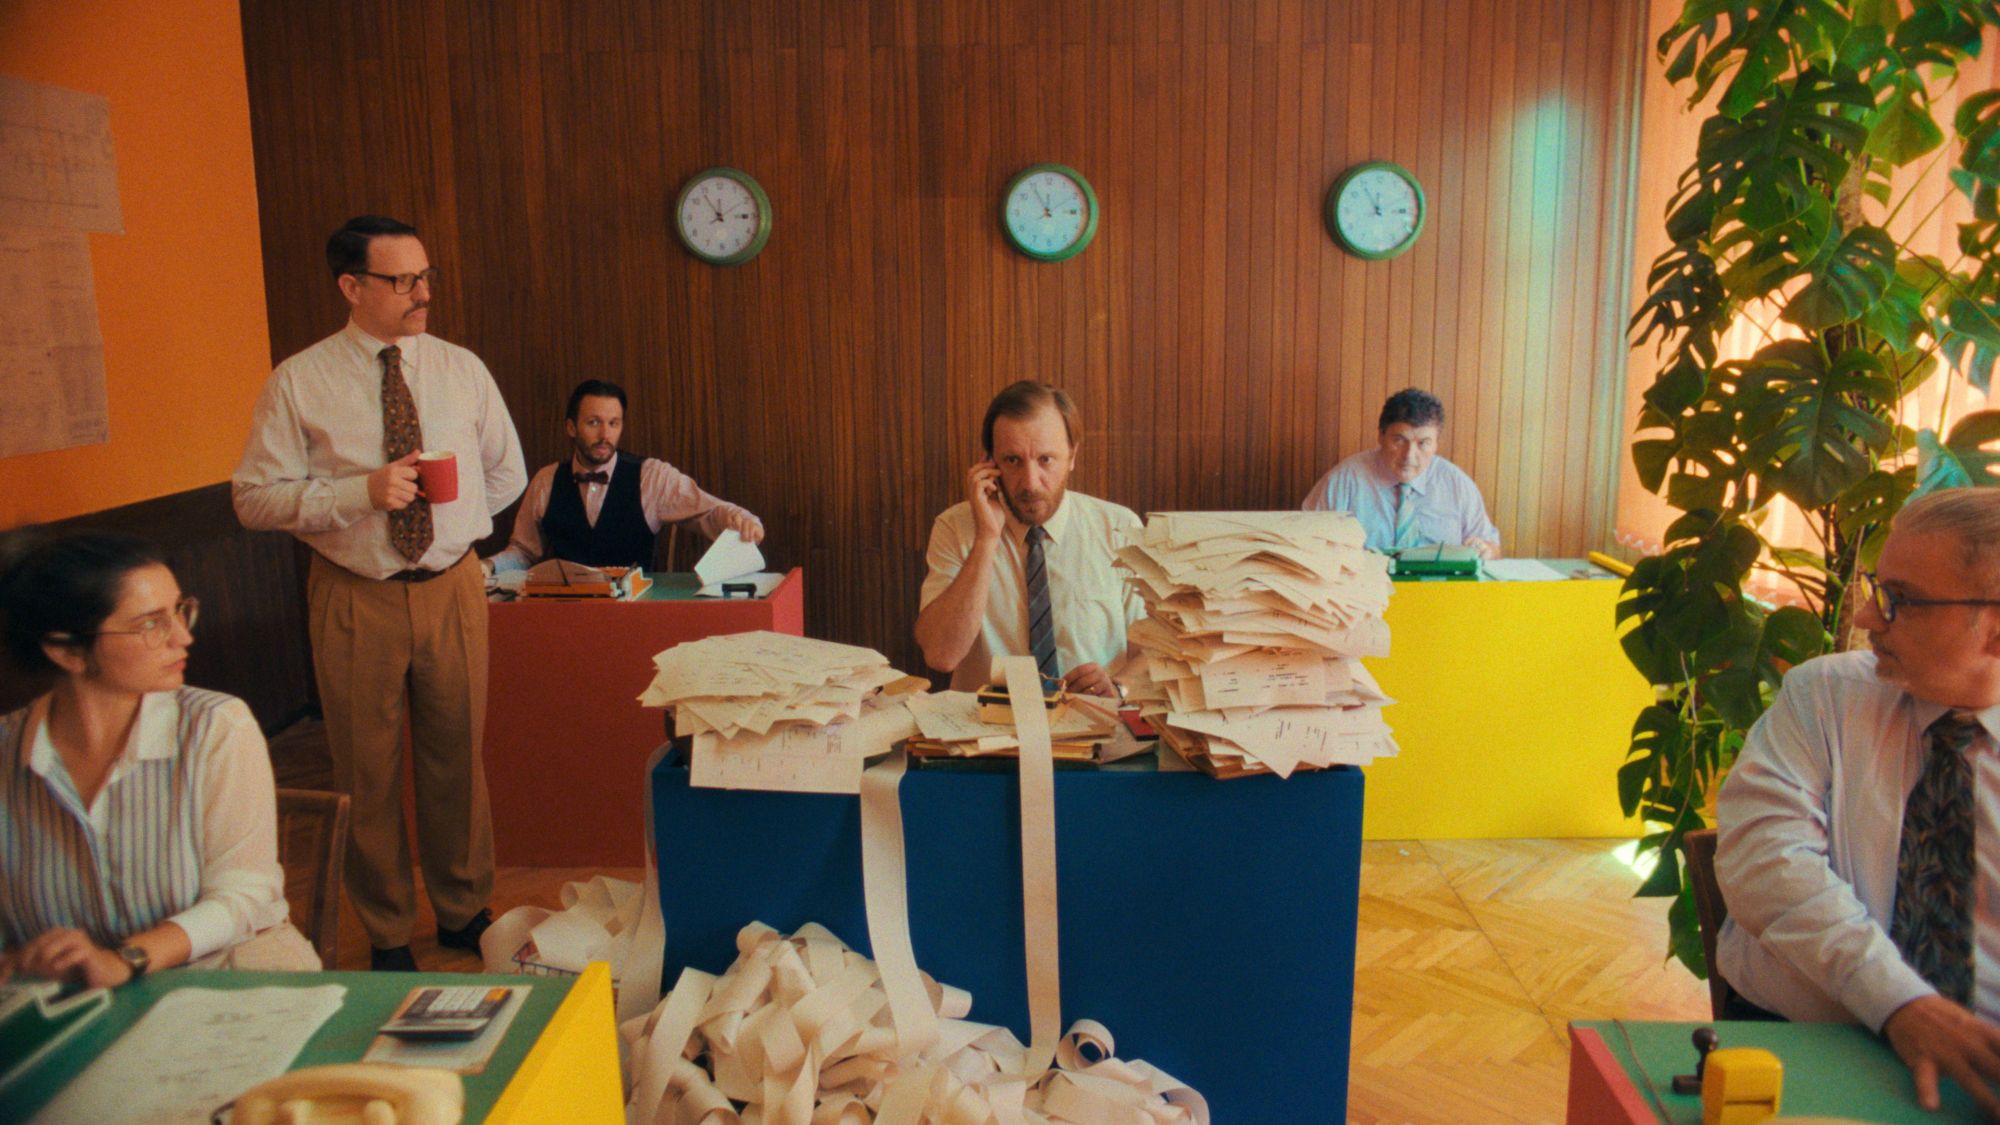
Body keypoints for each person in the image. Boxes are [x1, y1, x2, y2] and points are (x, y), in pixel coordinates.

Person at [233, 215, 526, 972]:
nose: (422, 293)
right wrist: (358, 494)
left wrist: (454, 531)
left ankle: (463, 911)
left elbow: (507, 473)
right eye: (402, 281)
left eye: (426, 276)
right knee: (365, 769)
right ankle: (389, 929)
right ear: (351, 286)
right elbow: (253, 499)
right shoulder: (299, 380)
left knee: (458, 758)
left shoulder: (462, 369)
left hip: (454, 589)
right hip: (355, 593)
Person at [1716, 488, 2000, 1115]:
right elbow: (1766, 861)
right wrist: (1899, 1002)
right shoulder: (1826, 696)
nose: (1869, 615)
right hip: (1805, 1044)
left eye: (1901, 599)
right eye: (1878, 587)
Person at [0, 532, 319, 986]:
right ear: (67, 650)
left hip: (227, 978)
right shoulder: (8, 753)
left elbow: (244, 896)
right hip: (75, 1003)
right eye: (150, 624)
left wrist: (124, 960)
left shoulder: (216, 726)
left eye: (180, 610)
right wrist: (26, 960)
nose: (183, 637)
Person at [915, 381, 1140, 697]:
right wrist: (986, 539)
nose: (1030, 483)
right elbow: (941, 655)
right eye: (1012, 460)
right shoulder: (954, 527)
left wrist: (1120, 686)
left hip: (1092, 718)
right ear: (990, 463)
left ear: (1072, 456)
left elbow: (1154, 650)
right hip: (987, 724)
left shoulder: (1120, 528)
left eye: (1046, 459)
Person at [487, 378, 763, 572]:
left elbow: (708, 511)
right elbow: (523, 552)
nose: (605, 435)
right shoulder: (546, 480)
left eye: (613, 423)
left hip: (637, 613)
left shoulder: (651, 476)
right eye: (593, 422)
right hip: (566, 615)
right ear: (571, 427)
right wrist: (488, 566)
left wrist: (743, 520)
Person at [1298, 387, 1500, 559]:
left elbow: (1492, 547)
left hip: (1438, 590)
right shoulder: (1345, 479)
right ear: (1381, 436)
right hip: (1363, 589)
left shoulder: (1457, 484)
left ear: (1437, 443)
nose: (1409, 456)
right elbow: (1302, 542)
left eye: (1423, 443)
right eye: (1399, 440)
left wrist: (1485, 550)